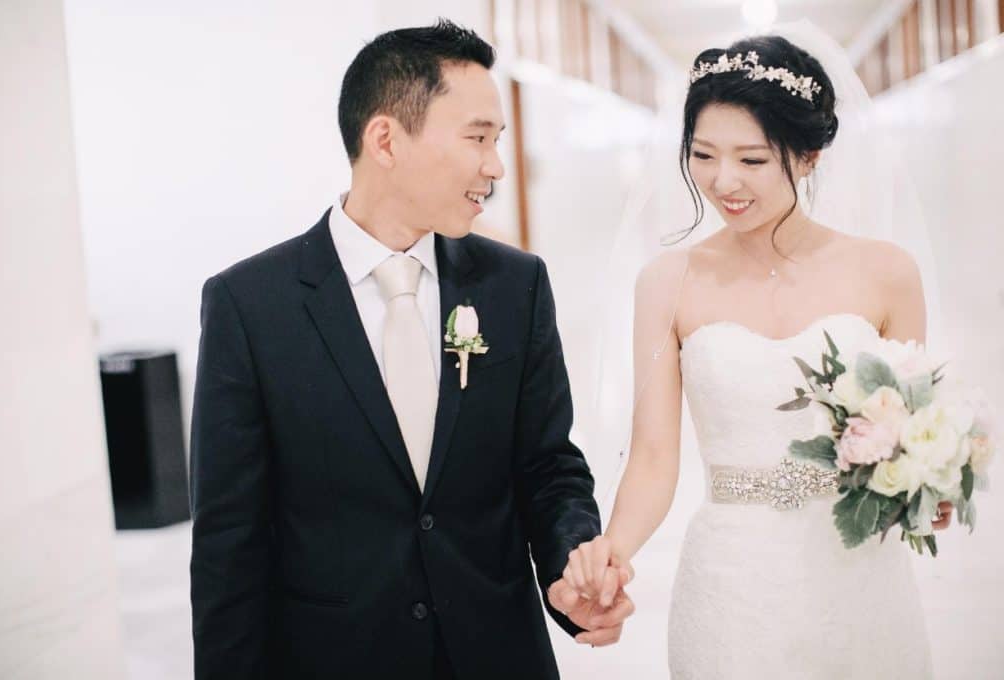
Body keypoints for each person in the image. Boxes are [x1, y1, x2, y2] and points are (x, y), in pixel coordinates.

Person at [189, 19, 632, 680]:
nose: (496, 167)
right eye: (478, 138)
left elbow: (548, 467)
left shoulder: (516, 286)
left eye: (497, 140)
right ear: (386, 139)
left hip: (498, 655)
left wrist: (572, 568)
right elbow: (230, 543)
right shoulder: (250, 306)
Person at [559, 32, 950, 678]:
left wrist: (927, 485)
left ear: (809, 155)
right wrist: (614, 552)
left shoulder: (887, 274)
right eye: (705, 155)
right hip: (729, 587)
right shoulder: (667, 282)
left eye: (752, 160)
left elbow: (911, 434)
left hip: (857, 577)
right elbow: (655, 457)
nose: (723, 181)